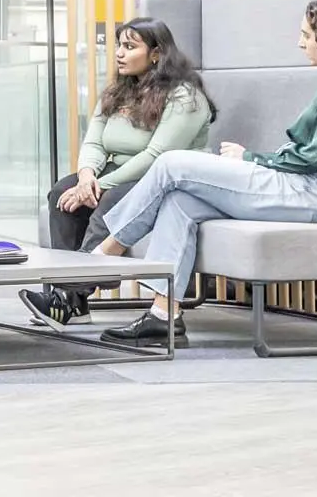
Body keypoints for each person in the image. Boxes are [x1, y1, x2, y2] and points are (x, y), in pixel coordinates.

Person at [76, 0, 317, 349]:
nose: (300, 43)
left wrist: (251, 158)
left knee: (172, 163)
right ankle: (163, 315)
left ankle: (104, 255)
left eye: (307, 36)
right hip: (308, 183)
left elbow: (315, 157)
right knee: (180, 200)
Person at [20, 18, 214, 330]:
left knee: (109, 202)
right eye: (119, 46)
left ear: (155, 54)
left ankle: (66, 296)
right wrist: (85, 178)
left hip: (161, 180)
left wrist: (99, 185)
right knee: (61, 193)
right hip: (116, 173)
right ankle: (75, 304)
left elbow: (156, 156)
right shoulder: (118, 92)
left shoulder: (185, 97)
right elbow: (94, 141)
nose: (119, 54)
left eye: (129, 46)